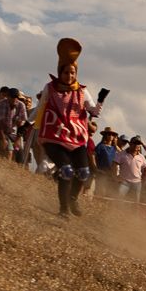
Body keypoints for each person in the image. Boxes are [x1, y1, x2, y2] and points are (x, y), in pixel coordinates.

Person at [36, 38, 103, 217]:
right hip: (54, 136)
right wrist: (30, 123)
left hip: (76, 138)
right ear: (60, 72)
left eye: (73, 73)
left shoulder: (81, 91)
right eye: (66, 73)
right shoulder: (50, 88)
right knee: (66, 171)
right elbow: (40, 107)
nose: (70, 76)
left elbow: (92, 110)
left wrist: (99, 104)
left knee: (83, 172)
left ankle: (73, 199)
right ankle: (63, 208)